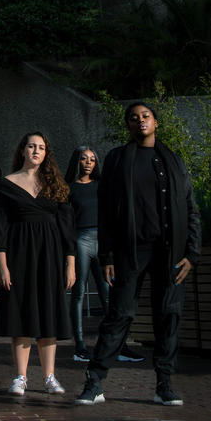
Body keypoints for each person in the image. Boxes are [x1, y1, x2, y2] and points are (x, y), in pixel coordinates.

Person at [75, 102, 201, 406]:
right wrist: (106, 255)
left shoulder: (173, 159)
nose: (140, 120)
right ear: (129, 126)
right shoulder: (119, 158)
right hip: (131, 251)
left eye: (145, 116)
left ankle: (164, 386)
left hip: (170, 252)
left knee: (168, 316)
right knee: (119, 315)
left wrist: (192, 254)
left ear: (155, 122)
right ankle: (95, 383)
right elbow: (105, 210)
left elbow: (190, 207)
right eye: (133, 118)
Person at [0, 132, 76, 397]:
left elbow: (67, 227)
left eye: (41, 147)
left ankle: (49, 377)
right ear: (23, 150)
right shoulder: (6, 184)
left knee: (49, 313)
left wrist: (70, 263)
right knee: (21, 313)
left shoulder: (56, 185)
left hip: (50, 256)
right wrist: (2, 265)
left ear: (46, 153)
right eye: (31, 146)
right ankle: (20, 377)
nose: (36, 151)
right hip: (18, 255)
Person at [65, 146, 145, 364]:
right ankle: (80, 346)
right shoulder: (68, 189)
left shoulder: (102, 187)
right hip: (81, 240)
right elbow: (66, 224)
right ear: (77, 161)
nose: (89, 162)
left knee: (108, 294)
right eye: (84, 158)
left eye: (92, 159)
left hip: (102, 242)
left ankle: (118, 345)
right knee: (79, 293)